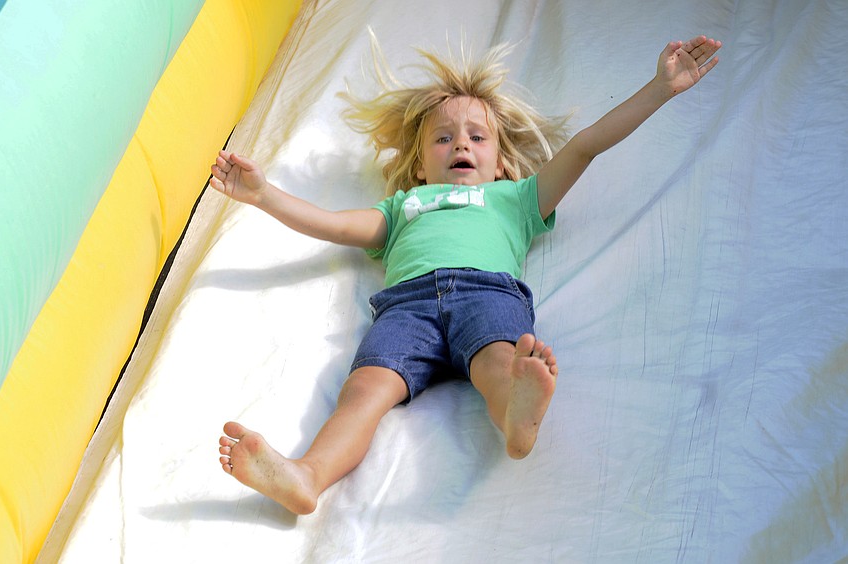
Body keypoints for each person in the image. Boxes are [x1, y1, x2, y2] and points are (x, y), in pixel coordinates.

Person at [213, 35, 721, 515]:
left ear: (500, 162)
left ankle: (516, 415)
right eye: (443, 138)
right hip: (405, 307)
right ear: (418, 165)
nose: (462, 144)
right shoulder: (404, 206)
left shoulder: (517, 198)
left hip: (487, 293)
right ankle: (307, 476)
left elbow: (586, 145)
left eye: (478, 137)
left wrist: (659, 89)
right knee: (364, 391)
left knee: (501, 362)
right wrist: (263, 195)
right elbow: (335, 224)